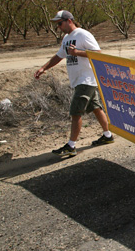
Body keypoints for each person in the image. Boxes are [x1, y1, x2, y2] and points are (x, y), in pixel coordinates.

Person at [34, 10, 114, 157]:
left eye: (59, 23)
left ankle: (71, 145)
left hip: (87, 80)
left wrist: (77, 53)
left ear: (69, 21)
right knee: (96, 108)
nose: (58, 27)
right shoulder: (66, 38)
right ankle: (108, 135)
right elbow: (59, 56)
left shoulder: (83, 34)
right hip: (78, 80)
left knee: (75, 112)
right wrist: (43, 68)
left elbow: (98, 54)